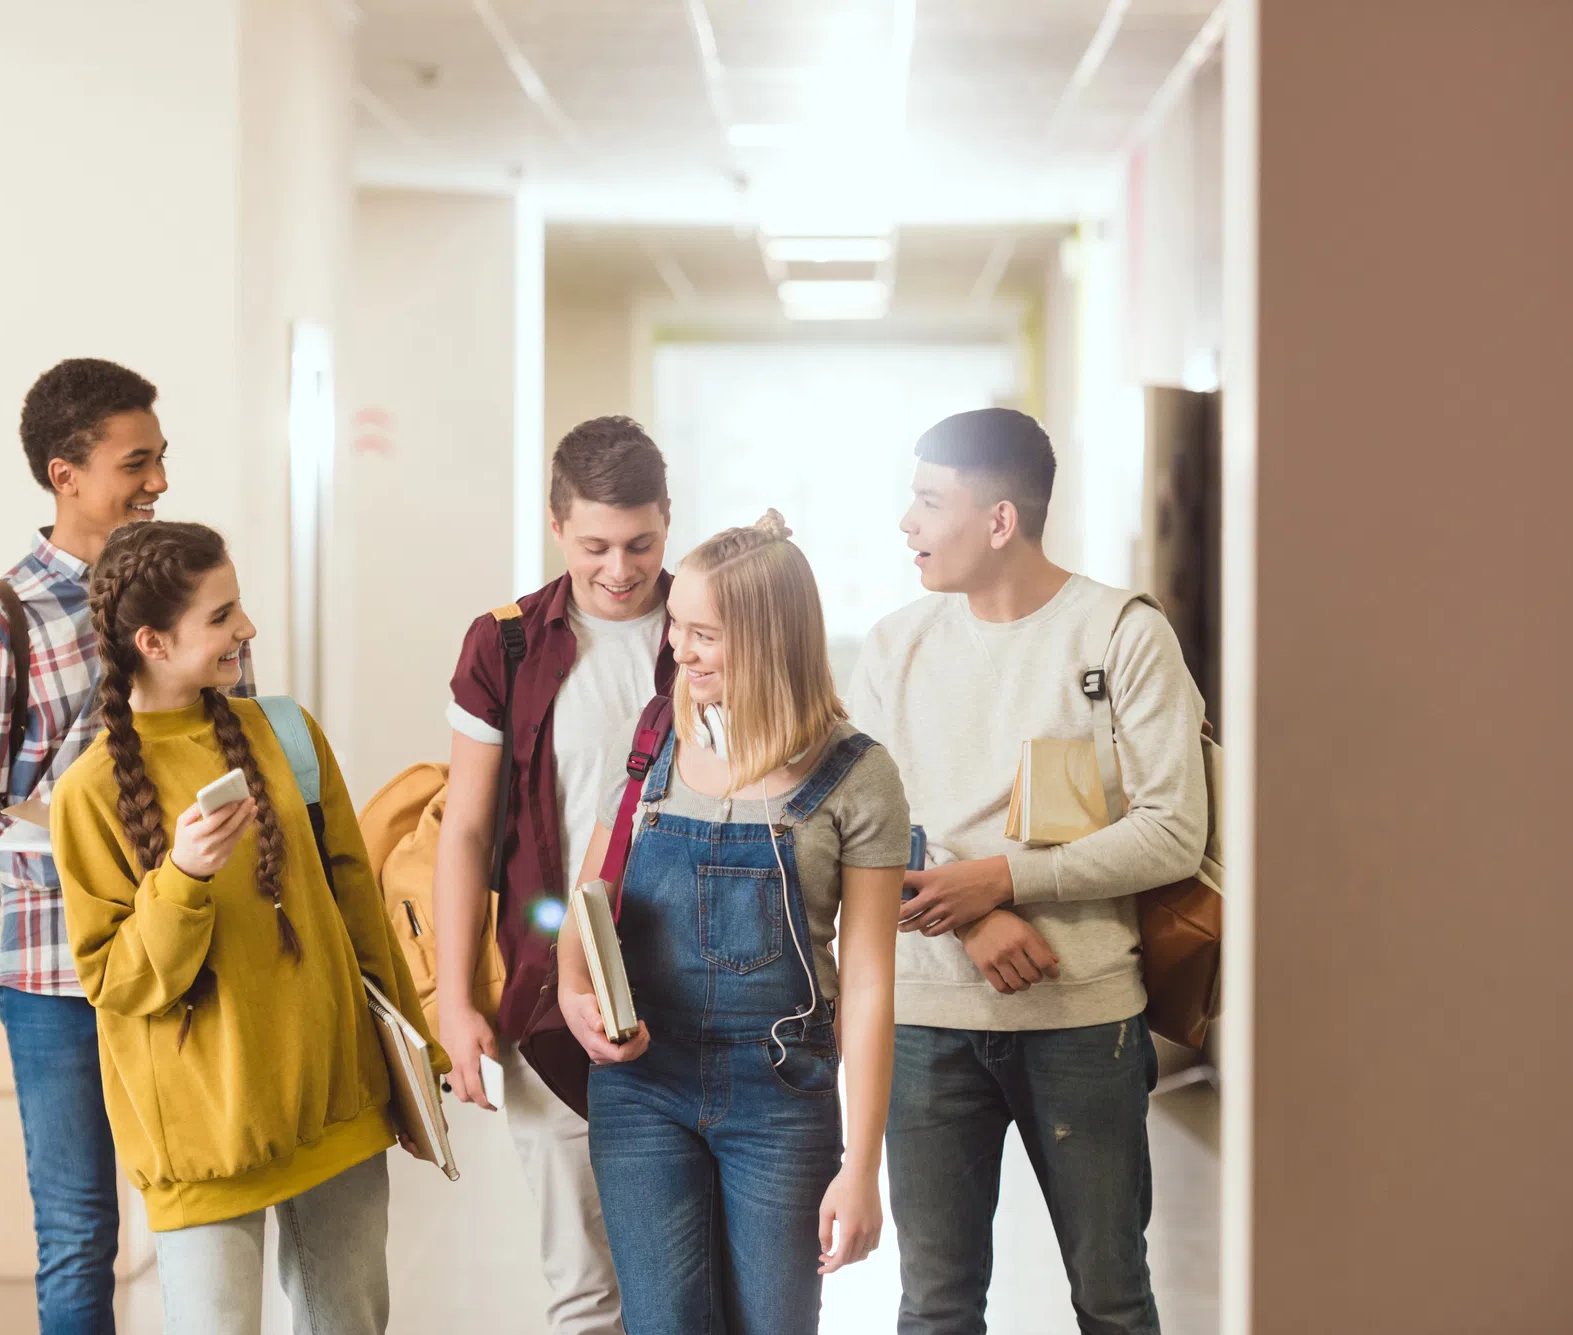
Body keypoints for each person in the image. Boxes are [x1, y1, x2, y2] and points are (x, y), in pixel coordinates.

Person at [848, 408, 1209, 1335]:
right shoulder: (893, 645)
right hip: (927, 1021)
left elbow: (1173, 831)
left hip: (1083, 1019)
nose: (907, 522)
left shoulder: (1124, 635)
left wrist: (1007, 880)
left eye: (930, 501)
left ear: (1000, 519)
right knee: (935, 1307)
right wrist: (973, 913)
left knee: (1113, 1300)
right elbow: (864, 831)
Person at [50, 520, 444, 1335]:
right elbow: (116, 979)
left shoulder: (286, 733)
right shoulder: (88, 794)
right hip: (204, 1141)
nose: (247, 628)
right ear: (154, 642)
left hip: (336, 1108)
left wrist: (416, 1067)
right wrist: (183, 876)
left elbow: (358, 911)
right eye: (222, 615)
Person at [0, 358, 247, 1335]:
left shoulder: (187, 592)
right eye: (135, 462)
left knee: (211, 1205)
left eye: (161, 458)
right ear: (64, 475)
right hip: (57, 982)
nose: (159, 481)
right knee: (79, 1235)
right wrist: (96, 859)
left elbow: (232, 752)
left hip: (188, 958)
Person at [561, 511, 908, 1335]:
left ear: (768, 639)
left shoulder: (858, 776)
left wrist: (864, 1167)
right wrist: (576, 992)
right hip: (642, 1086)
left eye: (704, 634)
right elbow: (587, 899)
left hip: (782, 1092)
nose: (678, 648)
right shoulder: (656, 739)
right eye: (677, 623)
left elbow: (867, 985)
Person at [435, 416, 675, 1335]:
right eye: (595, 546)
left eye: (641, 543)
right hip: (548, 997)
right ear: (555, 524)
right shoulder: (505, 645)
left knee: (687, 1287)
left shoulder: (713, 627)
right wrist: (455, 998)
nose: (620, 569)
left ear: (668, 518)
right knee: (584, 1291)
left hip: (693, 987)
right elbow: (465, 831)